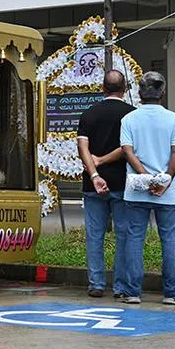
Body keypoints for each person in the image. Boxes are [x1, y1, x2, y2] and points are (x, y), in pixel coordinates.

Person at [118, 71, 175, 305]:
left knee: (134, 238)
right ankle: (172, 293)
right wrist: (164, 180)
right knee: (169, 239)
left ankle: (132, 292)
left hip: (137, 190)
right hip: (168, 192)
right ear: (163, 92)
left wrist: (146, 177)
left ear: (140, 92)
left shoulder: (129, 119)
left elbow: (128, 152)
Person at [76, 69, 135, 299]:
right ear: (125, 90)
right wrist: (103, 160)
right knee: (123, 235)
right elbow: (127, 149)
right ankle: (120, 287)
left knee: (94, 235)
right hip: (122, 184)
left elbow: (82, 147)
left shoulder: (89, 114)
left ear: (103, 88)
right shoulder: (132, 115)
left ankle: (96, 284)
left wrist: (94, 172)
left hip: (93, 186)